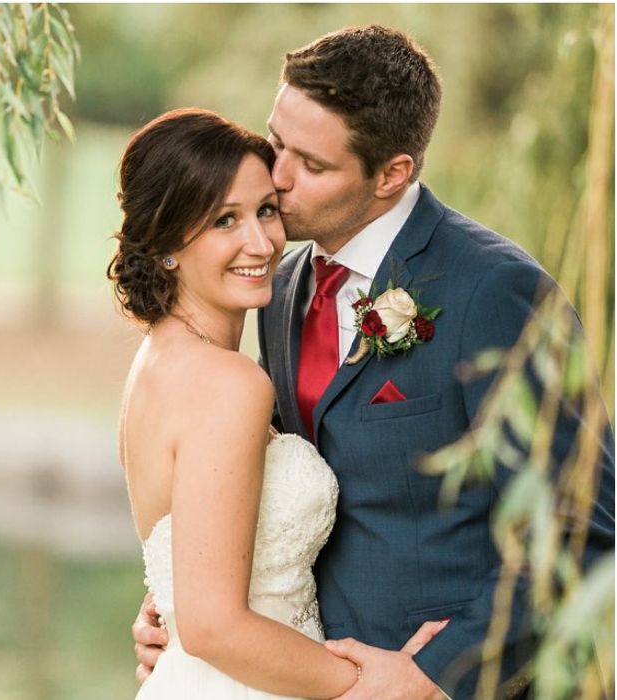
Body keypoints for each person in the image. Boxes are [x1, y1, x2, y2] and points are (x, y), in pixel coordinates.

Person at [132, 25, 616, 700]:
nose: (276, 176)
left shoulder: (494, 292)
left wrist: (432, 675)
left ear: (392, 174)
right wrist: (183, 602)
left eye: (313, 164)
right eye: (276, 142)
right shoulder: (278, 288)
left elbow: (577, 529)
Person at [111, 108, 367, 698]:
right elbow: (212, 624)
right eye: (225, 220)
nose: (262, 242)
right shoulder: (228, 384)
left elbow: (191, 577)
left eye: (266, 210)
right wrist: (368, 685)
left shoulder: (155, 361)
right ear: (166, 241)